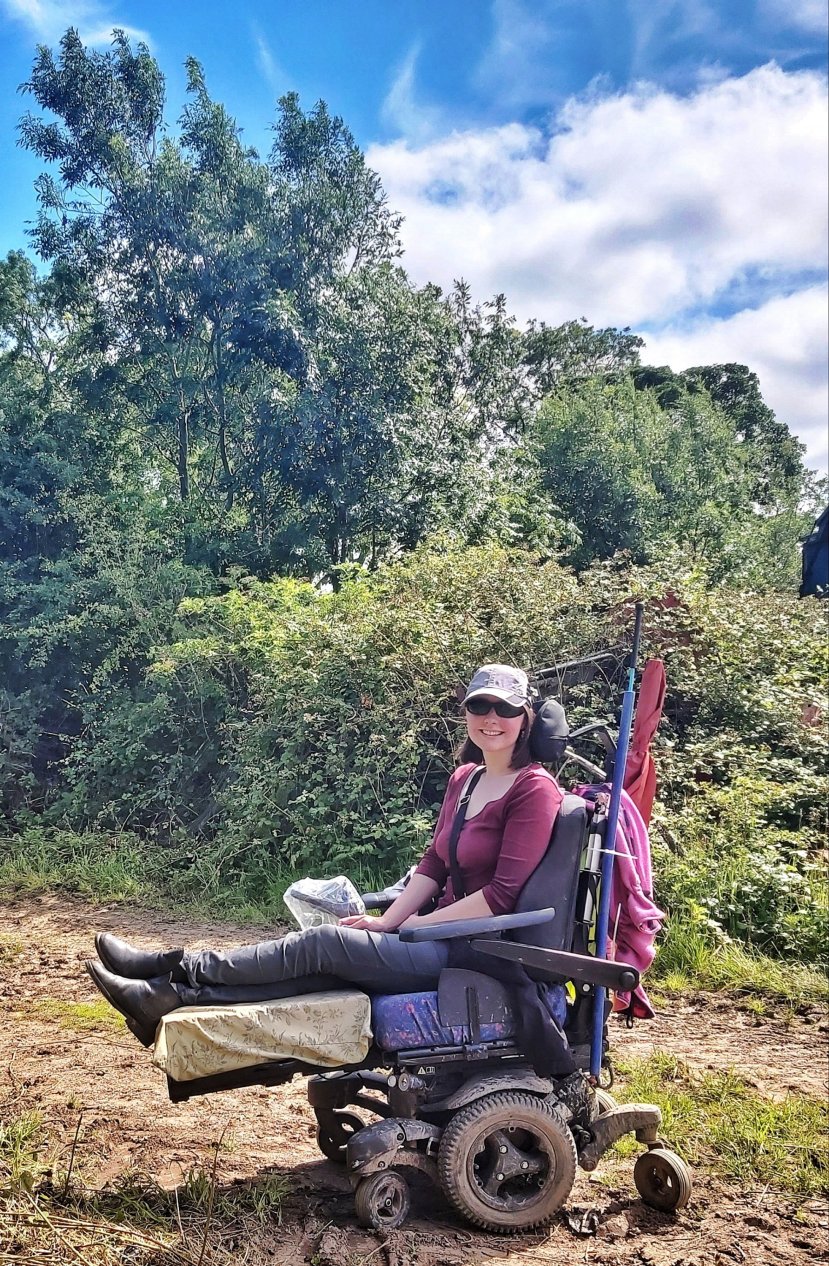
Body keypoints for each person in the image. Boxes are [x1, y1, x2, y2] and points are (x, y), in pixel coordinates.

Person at [86, 664, 564, 1049]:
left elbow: (502, 897)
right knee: (323, 961)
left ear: (525, 718)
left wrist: (416, 927)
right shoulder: (467, 778)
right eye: (480, 705)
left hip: (475, 947)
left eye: (505, 708)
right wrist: (387, 922)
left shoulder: (534, 789)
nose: (491, 718)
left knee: (322, 946)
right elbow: (434, 865)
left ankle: (175, 969)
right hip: (434, 932)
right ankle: (167, 996)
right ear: (466, 713)